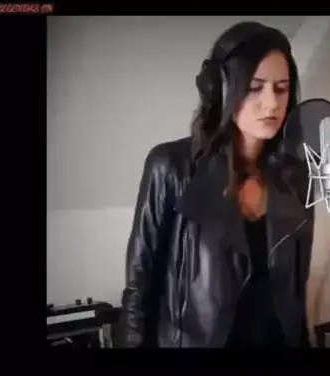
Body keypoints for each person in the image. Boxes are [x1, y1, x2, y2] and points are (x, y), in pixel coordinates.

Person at [120, 21, 314, 348]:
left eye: (281, 89)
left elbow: (296, 292)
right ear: (221, 90)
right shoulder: (171, 166)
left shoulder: (297, 176)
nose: (271, 103)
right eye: (254, 87)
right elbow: (139, 288)